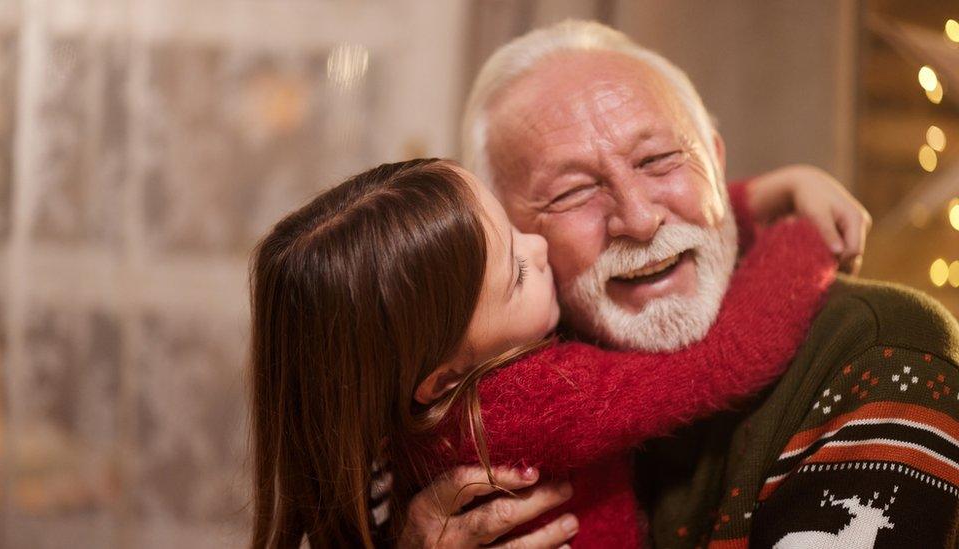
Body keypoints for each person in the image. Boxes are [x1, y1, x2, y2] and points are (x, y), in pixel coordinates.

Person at [400, 20, 959, 549]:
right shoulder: (478, 399)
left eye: (660, 160)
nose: (639, 220)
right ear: (510, 235)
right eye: (572, 193)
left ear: (715, 161)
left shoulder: (879, 351)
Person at [247, 158, 849, 549]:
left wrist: (754, 196)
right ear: (441, 376)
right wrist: (808, 228)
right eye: (516, 273)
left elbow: (653, 235)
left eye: (512, 229)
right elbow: (730, 359)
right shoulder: (533, 399)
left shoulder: (404, 400)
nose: (540, 247)